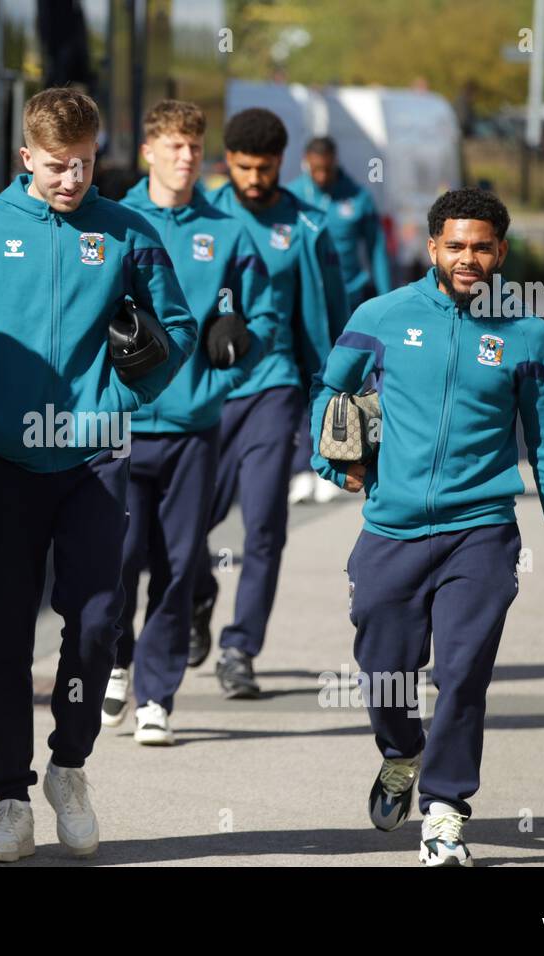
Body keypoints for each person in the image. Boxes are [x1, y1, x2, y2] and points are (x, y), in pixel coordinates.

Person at [0, 87, 195, 862]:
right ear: (26, 157)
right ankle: (9, 799)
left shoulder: (126, 231)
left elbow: (180, 331)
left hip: (94, 457)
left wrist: (124, 395)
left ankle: (69, 769)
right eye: (58, 166)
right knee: (4, 637)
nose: (73, 179)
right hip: (3, 459)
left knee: (98, 621)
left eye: (86, 163)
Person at [309, 187, 544, 867]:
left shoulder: (527, 333)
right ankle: (401, 751)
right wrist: (329, 457)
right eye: (455, 245)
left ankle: (444, 810)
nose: (468, 258)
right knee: (383, 668)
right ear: (431, 247)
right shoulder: (381, 315)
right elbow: (329, 387)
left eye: (482, 246)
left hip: (482, 530)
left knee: (462, 673)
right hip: (392, 528)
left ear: (501, 251)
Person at [103, 100, 278, 744]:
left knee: (177, 566)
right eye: (174, 147)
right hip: (120, 426)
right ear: (148, 151)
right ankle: (116, 662)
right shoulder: (114, 222)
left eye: (194, 148)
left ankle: (158, 697)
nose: (186, 158)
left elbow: (260, 321)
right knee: (118, 559)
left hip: (193, 430)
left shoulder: (228, 232)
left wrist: (217, 381)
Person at [190, 108, 348, 697]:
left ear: (283, 163)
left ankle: (240, 648)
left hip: (275, 388)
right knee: (185, 522)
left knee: (264, 525)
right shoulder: (199, 215)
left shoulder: (308, 226)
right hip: (203, 393)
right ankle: (197, 595)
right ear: (226, 161)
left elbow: (333, 318)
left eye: (265, 168)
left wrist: (337, 395)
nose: (254, 178)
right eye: (243, 166)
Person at [288, 136, 393, 505]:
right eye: (314, 169)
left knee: (347, 388)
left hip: (352, 305)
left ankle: (340, 456)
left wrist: (386, 299)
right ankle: (303, 466)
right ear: (305, 162)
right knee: (311, 383)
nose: (320, 176)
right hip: (310, 306)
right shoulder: (294, 195)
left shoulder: (357, 197)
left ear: (335, 162)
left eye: (326, 169)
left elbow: (377, 250)